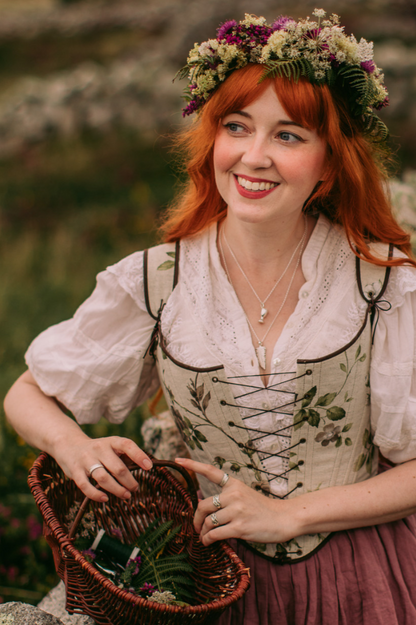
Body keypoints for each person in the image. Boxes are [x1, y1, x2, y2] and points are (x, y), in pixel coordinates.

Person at [4, 8, 416, 624]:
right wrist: (71, 444)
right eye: (237, 127)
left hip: (362, 578)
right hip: (214, 584)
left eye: (289, 135)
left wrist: (289, 515)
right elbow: (26, 394)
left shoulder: (381, 280)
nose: (254, 156)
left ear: (329, 164)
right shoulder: (155, 282)